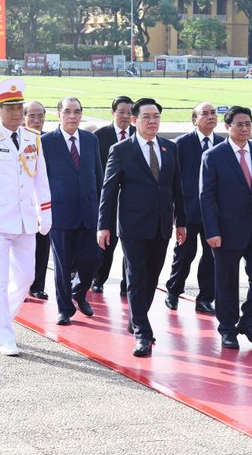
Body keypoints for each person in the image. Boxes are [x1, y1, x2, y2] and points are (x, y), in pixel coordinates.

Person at [0, 78, 51, 356]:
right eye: (11, 108)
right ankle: (5, 335)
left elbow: (41, 179)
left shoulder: (32, 138)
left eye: (20, 108)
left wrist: (45, 211)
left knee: (26, 278)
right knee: (0, 282)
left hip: (26, 220)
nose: (17, 113)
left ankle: (0, 314)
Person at [97, 97, 186, 357]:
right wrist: (104, 225)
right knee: (136, 277)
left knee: (151, 277)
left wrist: (181, 221)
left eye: (156, 116)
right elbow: (109, 190)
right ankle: (143, 333)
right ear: (134, 120)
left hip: (161, 225)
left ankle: (137, 318)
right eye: (146, 117)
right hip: (132, 226)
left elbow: (177, 188)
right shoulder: (121, 149)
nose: (152, 121)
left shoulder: (170, 148)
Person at [200, 106, 252, 350]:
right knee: (226, 282)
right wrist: (212, 231)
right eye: (239, 125)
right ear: (227, 127)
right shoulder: (213, 156)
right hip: (226, 232)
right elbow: (206, 197)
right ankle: (227, 328)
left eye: (248, 124)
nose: (245, 129)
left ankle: (249, 322)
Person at [42, 97, 103, 325]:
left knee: (94, 259)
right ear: (58, 114)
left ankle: (79, 290)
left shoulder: (90, 140)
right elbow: (41, 179)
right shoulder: (46, 142)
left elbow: (97, 175)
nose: (72, 116)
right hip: (60, 213)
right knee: (62, 264)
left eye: (77, 112)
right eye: (67, 111)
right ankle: (65, 308)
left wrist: (101, 211)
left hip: (88, 211)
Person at [165, 102, 224, 314]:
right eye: (205, 113)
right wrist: (175, 211)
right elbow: (172, 179)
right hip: (188, 211)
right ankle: (173, 291)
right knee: (184, 254)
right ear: (194, 119)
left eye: (213, 113)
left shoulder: (223, 143)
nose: (210, 117)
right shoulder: (181, 144)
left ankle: (205, 298)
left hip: (215, 213)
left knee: (212, 258)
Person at [91, 96, 135, 295]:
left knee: (132, 247)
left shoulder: (138, 134)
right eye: (121, 112)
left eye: (129, 112)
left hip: (133, 201)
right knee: (106, 244)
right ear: (112, 113)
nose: (125, 116)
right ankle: (98, 279)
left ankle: (128, 284)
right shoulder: (100, 136)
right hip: (107, 199)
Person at [23, 100, 50, 300]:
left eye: (40, 116)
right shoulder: (18, 139)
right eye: (31, 116)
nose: (36, 120)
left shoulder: (50, 141)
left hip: (43, 204)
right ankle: (21, 286)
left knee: (42, 246)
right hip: (20, 204)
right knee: (21, 251)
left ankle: (38, 285)